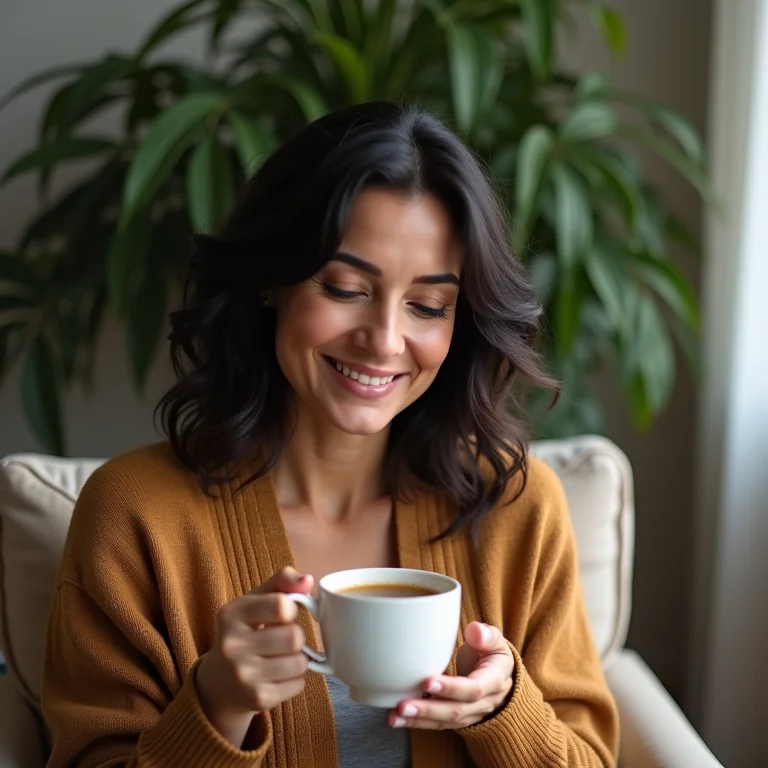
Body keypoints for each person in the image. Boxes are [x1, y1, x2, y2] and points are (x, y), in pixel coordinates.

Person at [42, 101, 618, 767]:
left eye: (429, 306)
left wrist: (502, 711)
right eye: (345, 288)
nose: (384, 340)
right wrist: (216, 705)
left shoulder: (517, 507)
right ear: (271, 282)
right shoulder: (135, 515)